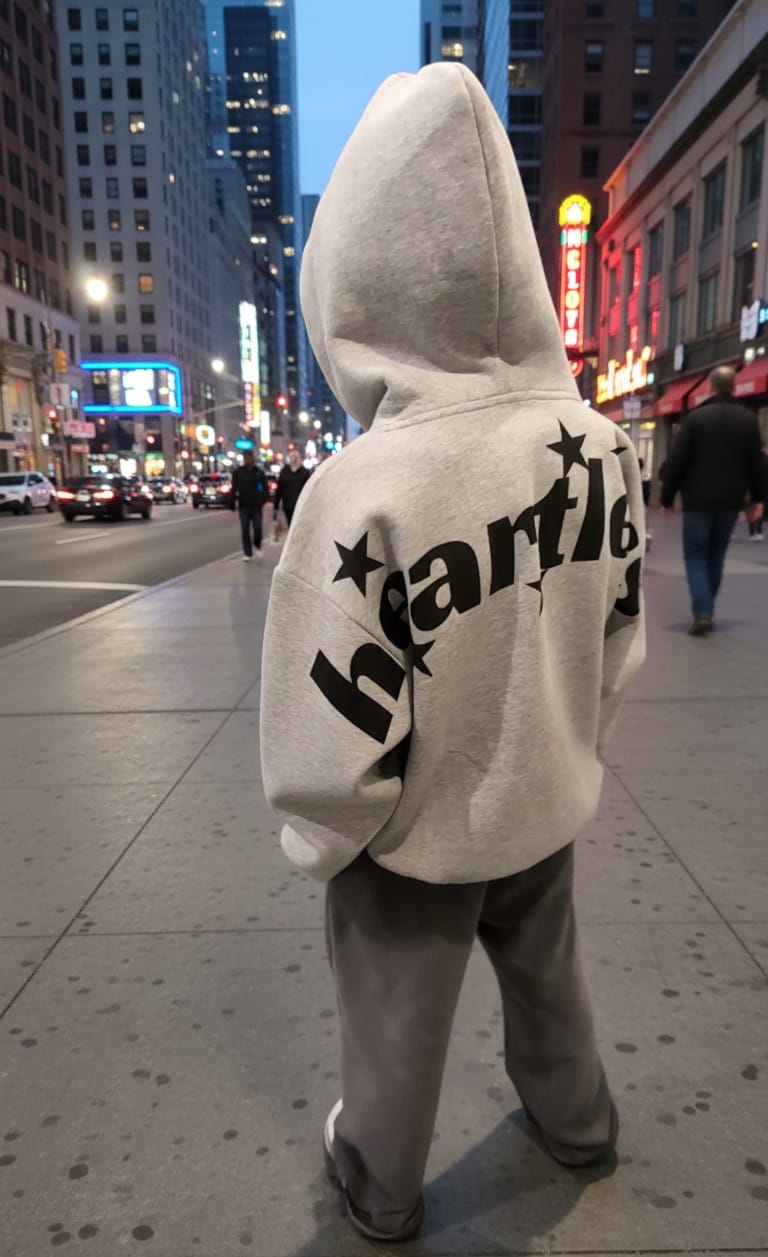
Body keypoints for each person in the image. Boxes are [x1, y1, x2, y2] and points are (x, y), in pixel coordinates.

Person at [260, 64, 646, 1243]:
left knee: (394, 1028)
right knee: (551, 978)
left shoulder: (363, 486)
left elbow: (328, 710)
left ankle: (379, 1189)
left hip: (411, 839)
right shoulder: (602, 444)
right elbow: (616, 632)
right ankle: (580, 1125)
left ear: (354, 281)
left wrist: (329, 835)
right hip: (545, 794)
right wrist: (570, 741)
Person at [661, 365, 765, 634]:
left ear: (710, 386)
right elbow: (757, 464)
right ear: (733, 385)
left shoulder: (695, 419)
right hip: (730, 501)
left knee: (695, 556)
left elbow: (677, 461)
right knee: (716, 555)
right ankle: (707, 608)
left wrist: (667, 497)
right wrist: (757, 499)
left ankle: (703, 611)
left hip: (697, 500)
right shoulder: (748, 420)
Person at [230, 450, 268, 561]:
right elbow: (234, 488)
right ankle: (247, 553)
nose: (249, 460)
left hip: (256, 506)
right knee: (245, 529)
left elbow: (265, 488)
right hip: (244, 505)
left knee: (258, 527)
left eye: (250, 458)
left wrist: (262, 500)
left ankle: (258, 545)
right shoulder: (238, 472)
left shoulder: (259, 472)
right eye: (247, 458)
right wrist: (232, 502)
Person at [273, 448, 311, 527]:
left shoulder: (305, 473)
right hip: (288, 506)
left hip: (301, 506)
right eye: (292, 458)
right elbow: (279, 489)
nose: (294, 460)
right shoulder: (284, 472)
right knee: (291, 525)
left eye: (296, 458)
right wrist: (276, 505)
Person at [747, 446, 768, 542]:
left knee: (751, 509)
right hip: (764, 489)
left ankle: (752, 533)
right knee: (759, 509)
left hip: (753, 487)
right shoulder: (765, 460)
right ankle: (759, 533)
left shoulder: (752, 460)